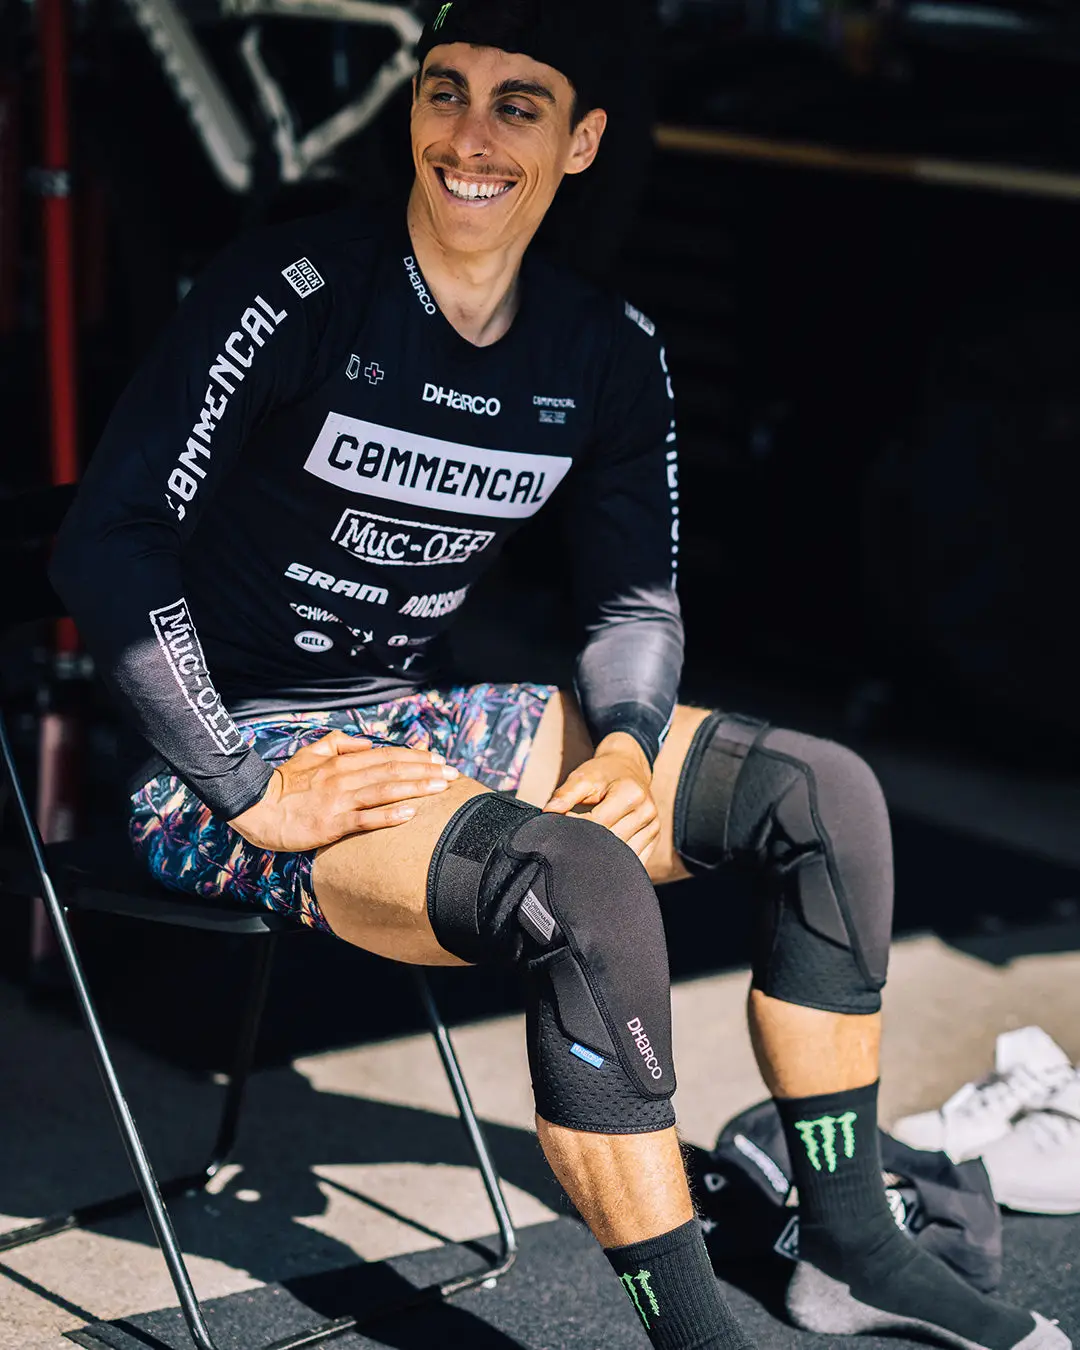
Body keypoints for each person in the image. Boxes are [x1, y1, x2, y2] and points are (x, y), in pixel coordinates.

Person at [50, 4, 1069, 1349]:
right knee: (576, 885)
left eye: (516, 104)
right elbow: (109, 540)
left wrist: (628, 742)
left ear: (582, 141)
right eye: (445, 91)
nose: (468, 136)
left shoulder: (604, 347)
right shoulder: (292, 286)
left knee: (823, 796)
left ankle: (851, 1246)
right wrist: (244, 784)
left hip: (412, 717)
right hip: (223, 755)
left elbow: (633, 598)